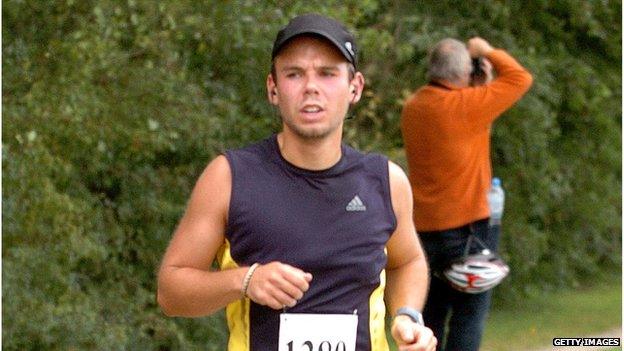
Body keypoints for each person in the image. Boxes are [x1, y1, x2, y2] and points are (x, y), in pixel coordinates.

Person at [158, 14, 437, 351]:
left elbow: (406, 261)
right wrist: (244, 281)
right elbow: (171, 293)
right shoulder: (229, 177)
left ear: (355, 88)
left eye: (327, 73)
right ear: (273, 89)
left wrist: (407, 316)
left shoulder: (385, 181)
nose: (311, 87)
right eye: (294, 74)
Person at [400, 37, 533, 351]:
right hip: (470, 232)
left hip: (424, 233)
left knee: (430, 319)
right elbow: (520, 78)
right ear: (463, 72)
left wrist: (476, 85)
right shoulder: (469, 106)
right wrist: (486, 50)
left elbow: (461, 125)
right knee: (468, 318)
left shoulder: (414, 107)